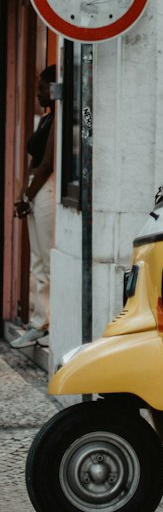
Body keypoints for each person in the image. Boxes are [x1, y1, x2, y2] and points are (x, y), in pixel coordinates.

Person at [11, 64, 56, 348]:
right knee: (38, 260)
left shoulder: (59, 119)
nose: (37, 93)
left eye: (41, 87)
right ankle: (39, 322)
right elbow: (33, 161)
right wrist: (22, 194)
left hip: (47, 190)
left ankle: (45, 323)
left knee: (47, 262)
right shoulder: (45, 119)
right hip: (36, 191)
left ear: (53, 88)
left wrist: (29, 194)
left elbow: (48, 163)